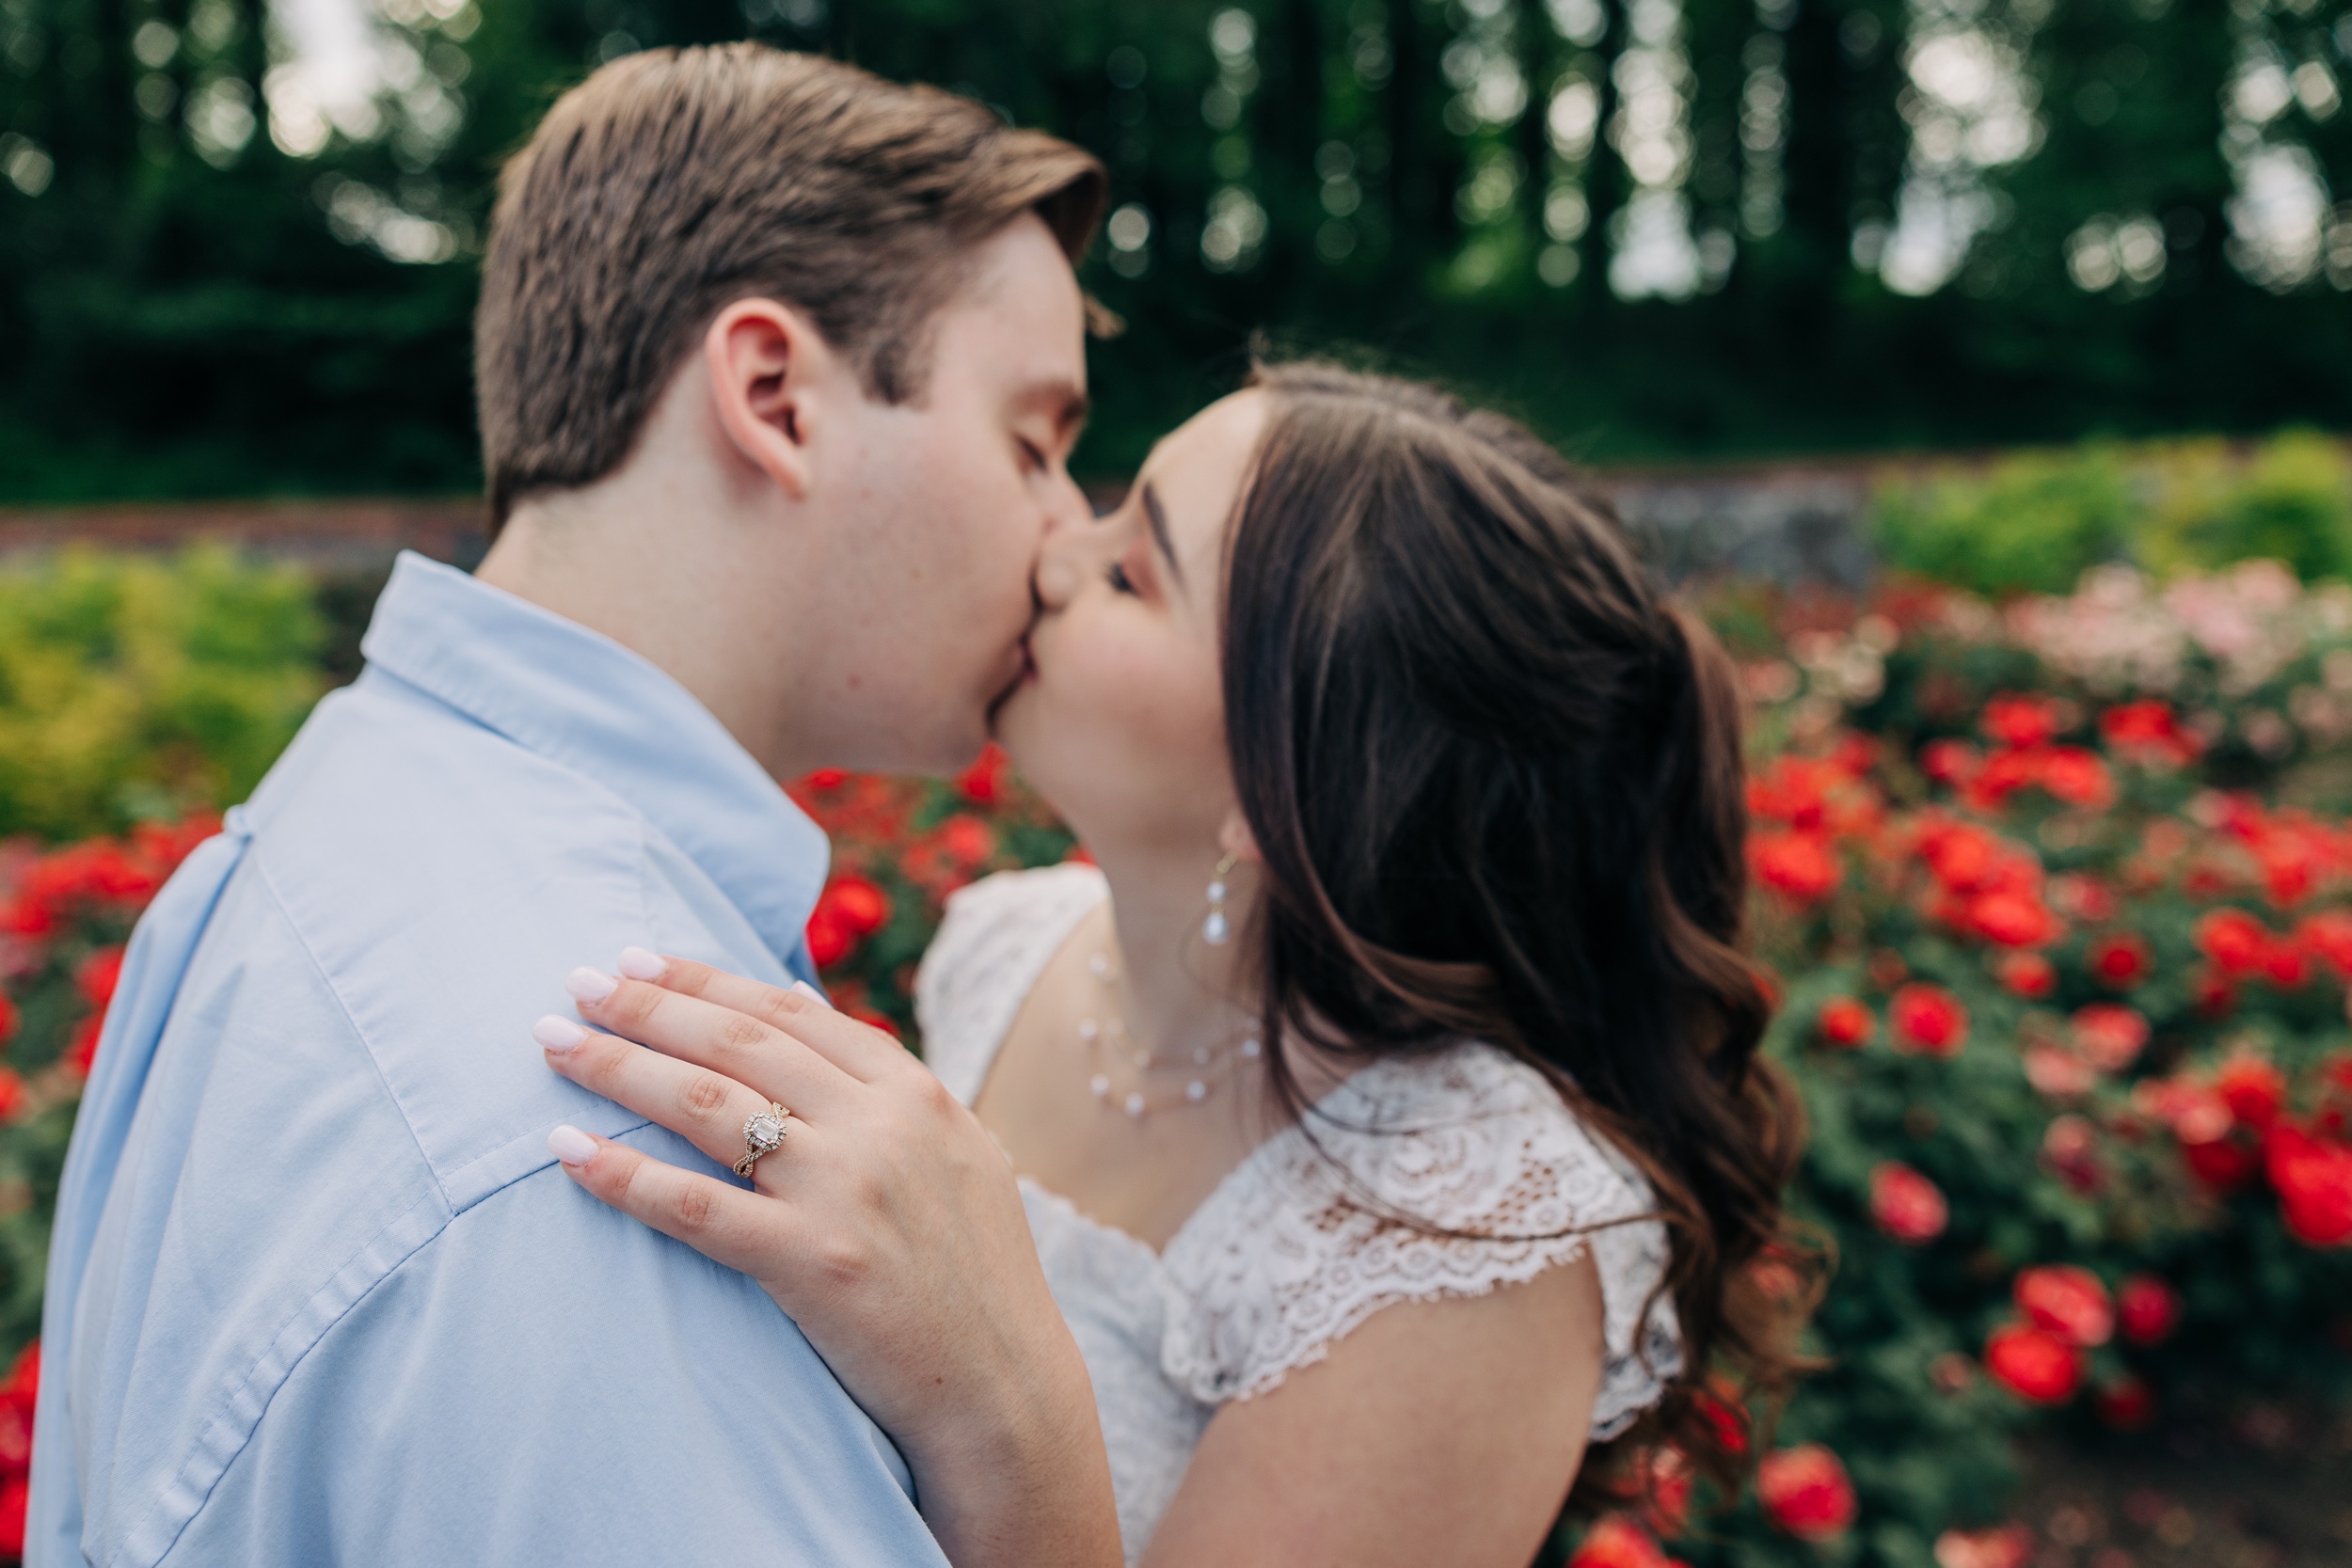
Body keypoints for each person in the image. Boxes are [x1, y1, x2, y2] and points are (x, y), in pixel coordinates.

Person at [26, 44, 1112, 1568]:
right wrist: (1024, 1431)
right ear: (776, 394)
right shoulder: (627, 1143)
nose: (1066, 533)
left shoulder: (317, 826)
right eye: (1034, 440)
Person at [534, 363, 1815, 1567]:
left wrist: (993, 1393)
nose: (1049, 553)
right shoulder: (1004, 946)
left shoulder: (1477, 1226)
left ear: (1281, 787)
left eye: (1132, 572)